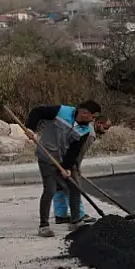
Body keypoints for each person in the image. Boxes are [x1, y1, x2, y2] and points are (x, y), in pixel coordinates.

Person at [24, 101, 102, 237]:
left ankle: (76, 221)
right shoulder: (61, 111)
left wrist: (67, 167)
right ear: (84, 113)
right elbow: (37, 111)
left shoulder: (85, 130)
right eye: (92, 116)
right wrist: (30, 128)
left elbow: (74, 150)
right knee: (50, 189)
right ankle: (44, 226)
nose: (93, 120)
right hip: (47, 156)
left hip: (64, 158)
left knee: (75, 187)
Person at [52, 115, 110, 224]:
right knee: (75, 189)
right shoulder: (90, 134)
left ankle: (60, 215)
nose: (106, 131)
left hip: (56, 156)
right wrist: (75, 168)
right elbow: (78, 152)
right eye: (105, 128)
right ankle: (79, 215)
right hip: (67, 160)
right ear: (98, 123)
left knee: (59, 187)